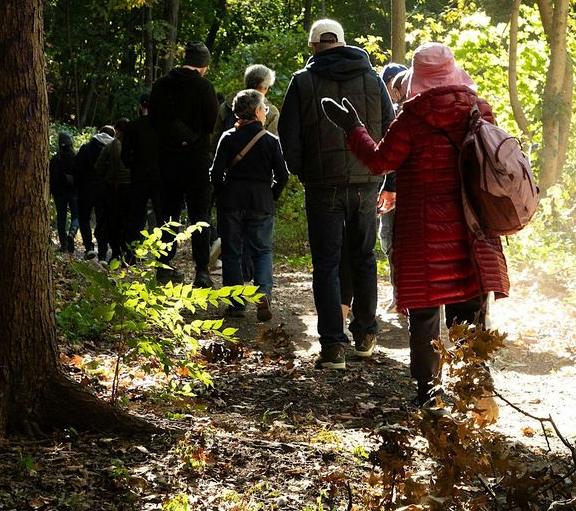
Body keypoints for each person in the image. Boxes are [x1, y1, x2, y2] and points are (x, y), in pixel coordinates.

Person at [322, 42, 509, 408]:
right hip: (473, 229)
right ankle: (474, 390)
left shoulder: (411, 116)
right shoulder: (479, 111)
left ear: (416, 75)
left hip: (423, 233)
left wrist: (353, 128)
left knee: (425, 314)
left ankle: (429, 394)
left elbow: (380, 162)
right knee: (469, 311)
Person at [278, 19, 394, 369]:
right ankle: (365, 334)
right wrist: (385, 177)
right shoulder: (373, 79)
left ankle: (332, 346)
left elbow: (289, 135)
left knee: (326, 264)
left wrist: (303, 171)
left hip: (322, 185)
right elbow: (391, 128)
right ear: (343, 43)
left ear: (313, 46)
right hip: (367, 181)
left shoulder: (302, 82)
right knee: (364, 257)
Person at [210, 89, 289, 321]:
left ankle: (236, 304)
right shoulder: (270, 141)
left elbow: (215, 174)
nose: (265, 112)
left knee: (232, 251)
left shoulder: (227, 138)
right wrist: (271, 195)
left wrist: (222, 193)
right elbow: (283, 175)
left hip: (232, 201)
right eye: (264, 108)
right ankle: (263, 293)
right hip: (261, 202)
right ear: (256, 111)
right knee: (262, 251)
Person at [149, 41, 220, 286]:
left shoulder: (160, 86)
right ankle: (201, 271)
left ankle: (164, 267)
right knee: (200, 216)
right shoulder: (205, 87)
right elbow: (211, 123)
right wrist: (192, 139)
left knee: (168, 215)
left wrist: (174, 138)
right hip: (197, 160)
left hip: (167, 159)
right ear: (204, 66)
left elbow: (154, 121)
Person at [377, 63, 408, 310]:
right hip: (391, 186)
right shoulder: (384, 111)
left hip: (398, 188)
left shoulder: (401, 114)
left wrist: (391, 185)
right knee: (389, 239)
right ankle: (399, 294)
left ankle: (402, 297)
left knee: (393, 239)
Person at [120, 92, 159, 263]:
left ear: (141, 106)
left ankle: (131, 254)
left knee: (135, 216)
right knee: (163, 216)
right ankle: (163, 258)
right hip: (160, 177)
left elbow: (124, 156)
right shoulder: (163, 127)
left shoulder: (132, 127)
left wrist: (133, 165)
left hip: (138, 176)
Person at [95, 117, 133, 264]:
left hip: (113, 189)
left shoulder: (110, 146)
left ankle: (116, 253)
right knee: (128, 223)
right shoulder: (136, 147)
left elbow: (99, 167)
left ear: (116, 130)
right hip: (131, 189)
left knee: (112, 223)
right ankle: (129, 253)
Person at [74, 125, 115, 260]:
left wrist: (78, 186)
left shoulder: (86, 148)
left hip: (85, 189)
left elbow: (77, 169)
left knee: (84, 219)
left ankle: (89, 248)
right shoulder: (112, 149)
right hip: (104, 191)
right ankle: (103, 253)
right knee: (102, 221)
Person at [49, 131, 79, 253]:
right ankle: (72, 233)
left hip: (59, 193)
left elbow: (52, 178)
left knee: (61, 219)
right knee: (76, 216)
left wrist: (50, 192)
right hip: (74, 192)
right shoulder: (76, 157)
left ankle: (63, 245)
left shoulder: (56, 159)